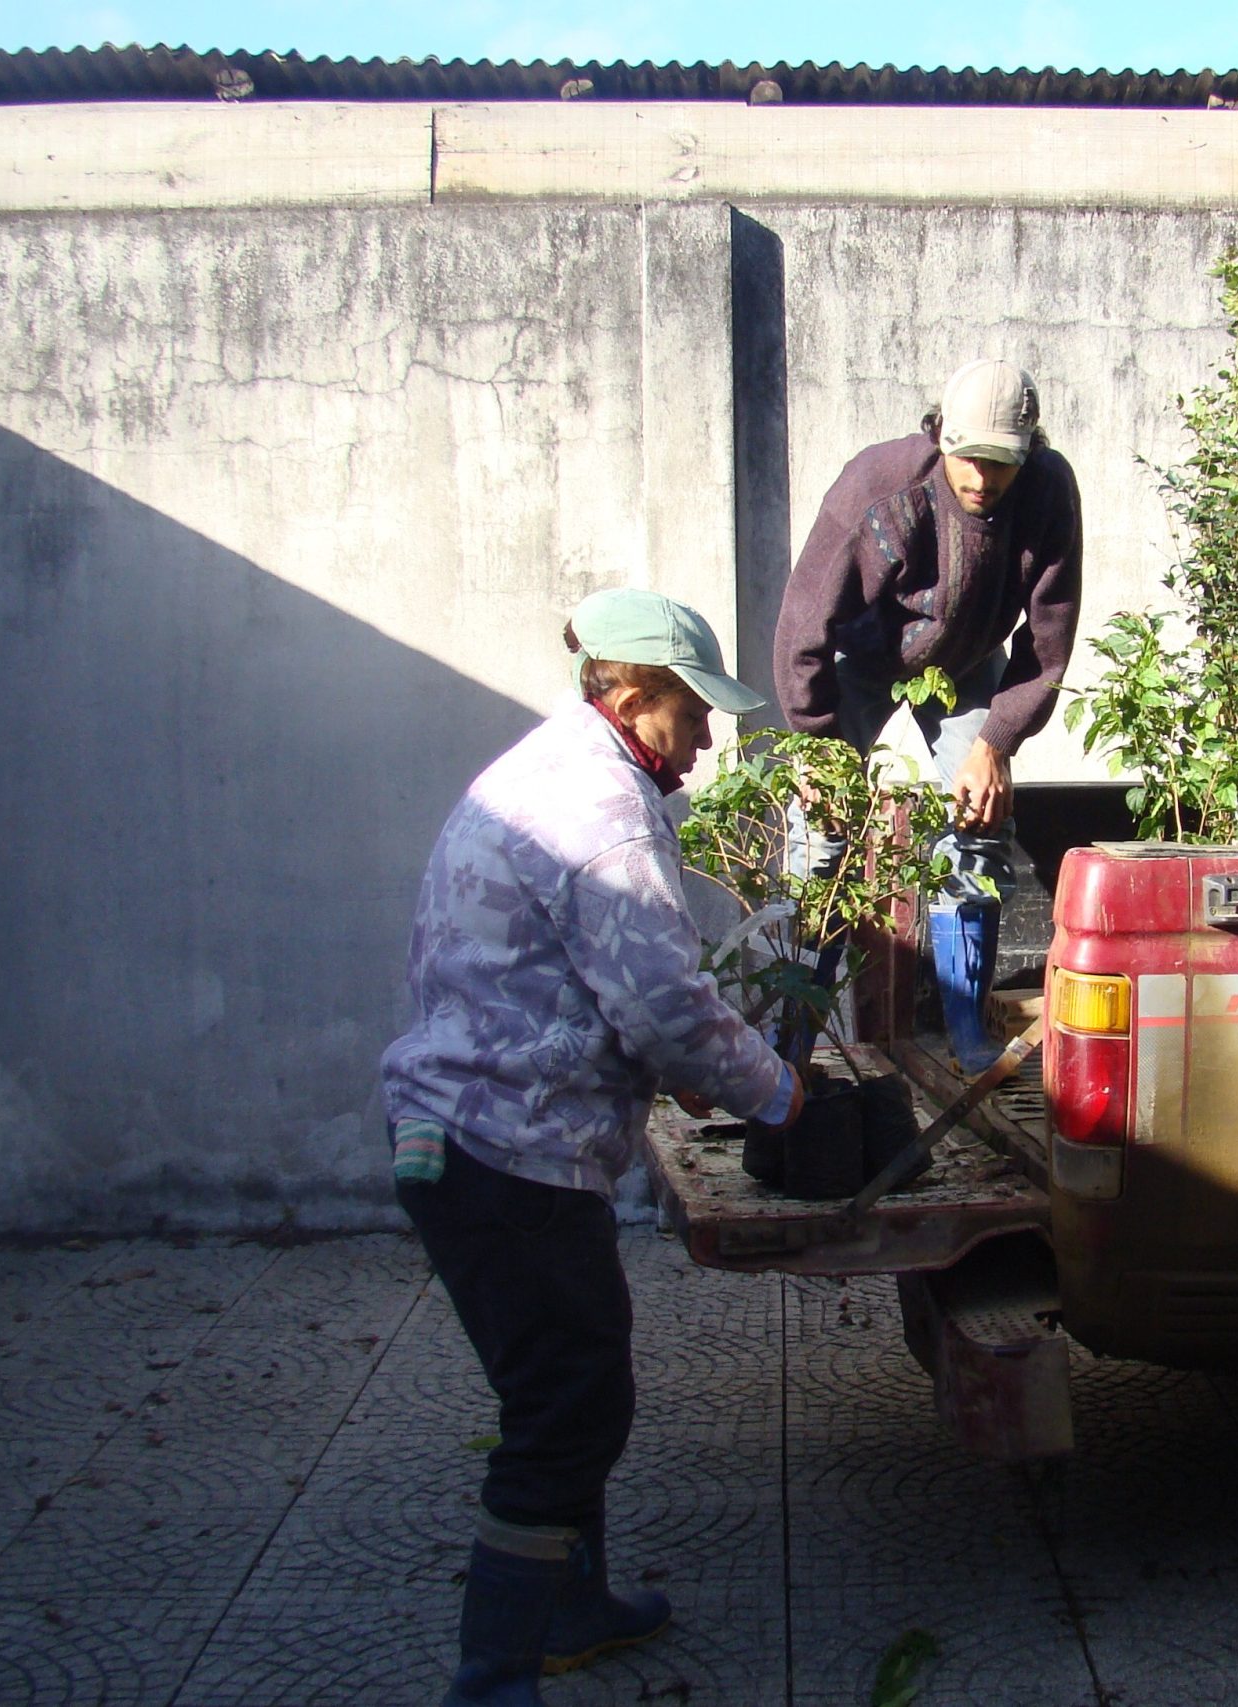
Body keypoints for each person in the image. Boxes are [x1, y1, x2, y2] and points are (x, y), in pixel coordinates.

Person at [381, 588, 805, 1707]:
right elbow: (665, 1007)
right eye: (693, 714)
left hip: (466, 1130)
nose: (709, 740)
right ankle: (495, 1672)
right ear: (631, 695)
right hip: (501, 1147)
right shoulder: (604, 810)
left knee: (576, 1377)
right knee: (565, 1404)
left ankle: (574, 1607)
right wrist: (776, 1095)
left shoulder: (545, 766)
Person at [772, 358, 1083, 1070]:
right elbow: (801, 628)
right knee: (821, 844)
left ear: (1029, 452)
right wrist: (818, 751)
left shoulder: (1048, 493)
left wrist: (997, 742)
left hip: (967, 661)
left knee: (981, 821)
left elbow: (1048, 643)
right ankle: (792, 1042)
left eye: (1001, 462)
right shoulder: (877, 488)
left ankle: (967, 1033)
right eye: (968, 457)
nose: (981, 478)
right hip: (857, 659)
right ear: (939, 435)